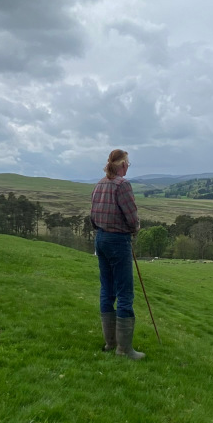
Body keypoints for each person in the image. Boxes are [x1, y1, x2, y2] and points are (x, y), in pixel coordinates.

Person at [90, 148, 144, 359]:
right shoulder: (123, 185)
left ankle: (110, 344)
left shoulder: (100, 183)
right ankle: (124, 350)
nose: (128, 166)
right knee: (124, 292)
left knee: (107, 289)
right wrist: (134, 229)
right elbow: (131, 216)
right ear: (122, 165)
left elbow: (93, 215)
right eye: (127, 163)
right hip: (118, 240)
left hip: (101, 238)